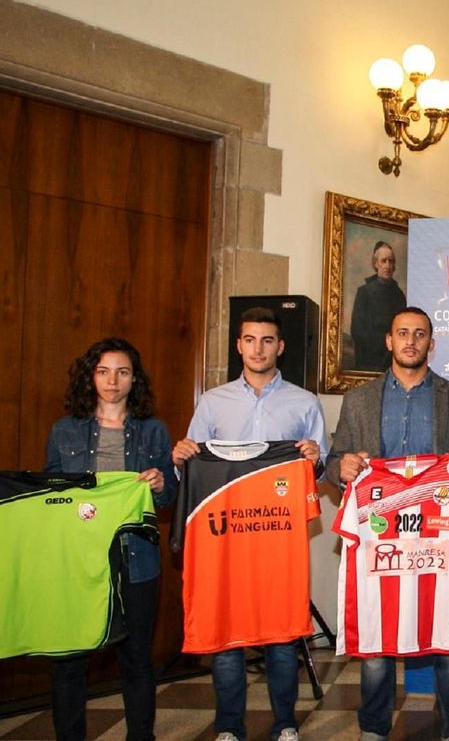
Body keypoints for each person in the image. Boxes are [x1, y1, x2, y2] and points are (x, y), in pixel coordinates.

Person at [327, 306, 449, 741]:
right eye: (402, 332)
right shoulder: (359, 399)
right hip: (379, 537)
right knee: (378, 638)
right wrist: (339, 466)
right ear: (388, 340)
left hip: (436, 538)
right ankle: (374, 729)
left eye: (420, 334)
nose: (411, 341)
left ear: (431, 344)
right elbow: (334, 460)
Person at [171, 307, 327, 741]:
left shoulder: (305, 402)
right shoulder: (212, 402)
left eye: (267, 340)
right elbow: (193, 473)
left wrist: (316, 460)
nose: (258, 348)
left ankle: (285, 724)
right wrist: (182, 458)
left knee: (281, 638)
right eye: (250, 339)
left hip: (276, 541)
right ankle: (228, 728)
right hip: (224, 541)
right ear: (238, 344)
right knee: (227, 637)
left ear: (280, 346)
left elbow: (318, 473)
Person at [44, 338, 175, 741]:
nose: (112, 381)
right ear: (91, 376)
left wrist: (158, 483)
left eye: (122, 372)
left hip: (136, 560)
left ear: (134, 379)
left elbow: (169, 495)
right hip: (79, 562)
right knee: (69, 661)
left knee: (136, 660)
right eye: (103, 371)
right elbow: (51, 495)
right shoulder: (64, 430)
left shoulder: (154, 432)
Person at [351, 241, 407, 371]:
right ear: (376, 264)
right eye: (384, 261)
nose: (387, 266)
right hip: (369, 361)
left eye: (391, 261)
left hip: (393, 362)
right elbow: (357, 330)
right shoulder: (364, 292)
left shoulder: (399, 296)